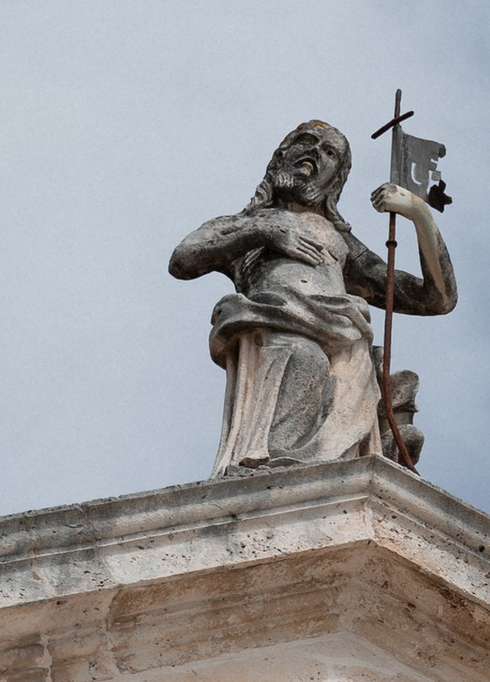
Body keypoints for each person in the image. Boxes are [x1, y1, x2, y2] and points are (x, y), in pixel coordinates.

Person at [170, 118, 455, 475]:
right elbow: (183, 260)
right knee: (305, 360)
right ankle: (273, 467)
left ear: (334, 180)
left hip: (344, 337)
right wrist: (264, 232)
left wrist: (418, 214)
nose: (314, 154)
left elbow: (436, 298)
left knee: (346, 392)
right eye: (306, 142)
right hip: (277, 323)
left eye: (329, 152)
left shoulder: (340, 242)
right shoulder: (245, 223)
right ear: (280, 157)